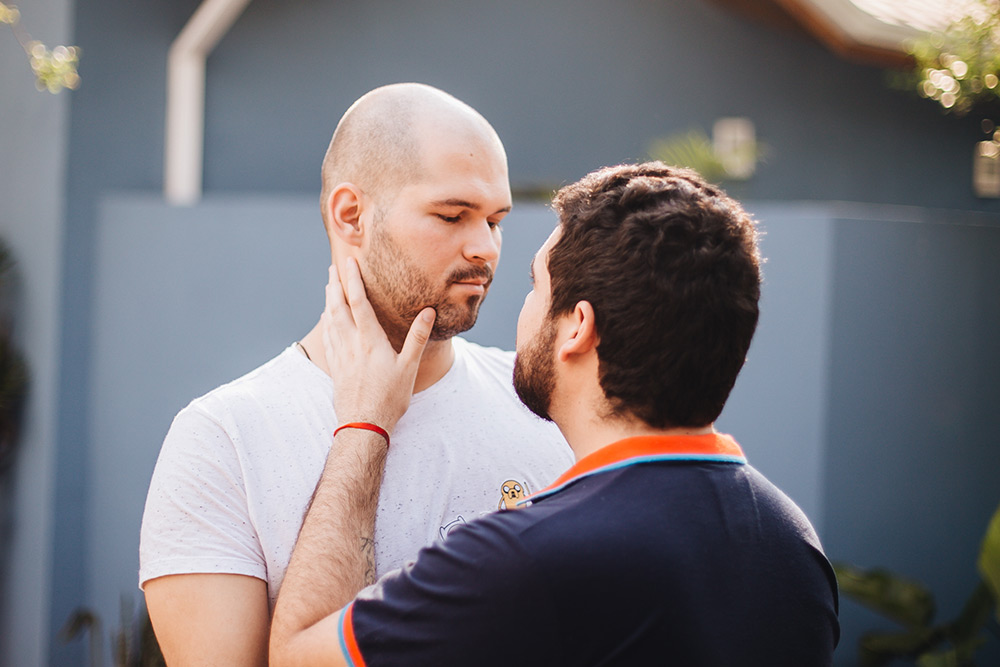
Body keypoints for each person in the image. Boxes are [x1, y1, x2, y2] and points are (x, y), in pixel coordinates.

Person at [269, 162, 841, 666]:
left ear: (577, 327)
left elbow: (297, 657)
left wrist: (363, 424)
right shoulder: (793, 546)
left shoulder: (523, 560)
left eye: (535, 286)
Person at [138, 83, 573, 665]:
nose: (485, 248)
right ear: (352, 216)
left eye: (495, 220)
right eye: (452, 215)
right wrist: (366, 430)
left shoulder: (548, 407)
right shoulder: (223, 441)